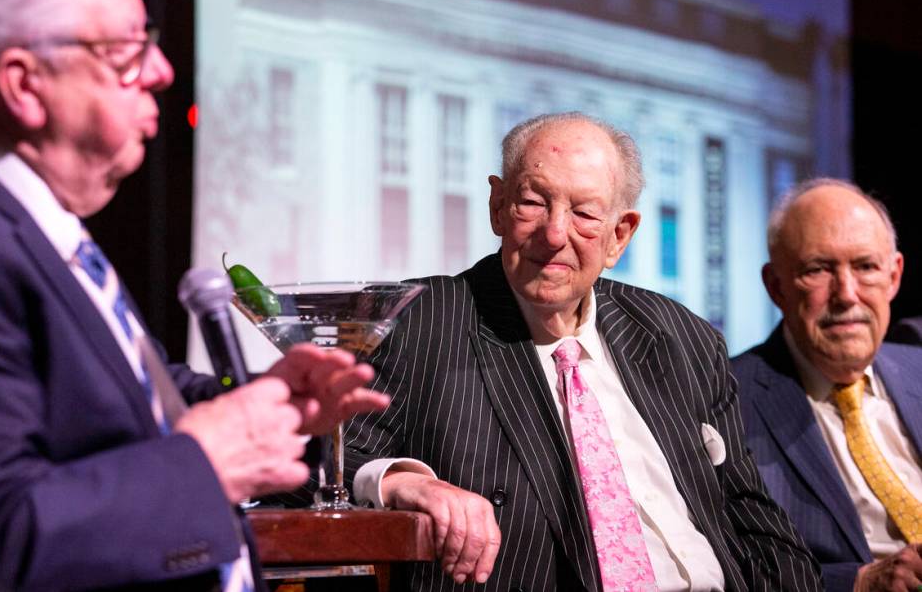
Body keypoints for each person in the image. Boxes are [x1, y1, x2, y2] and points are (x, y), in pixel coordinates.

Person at [0, 0, 388, 590]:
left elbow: (132, 405)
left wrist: (265, 406)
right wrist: (206, 460)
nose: (162, 71)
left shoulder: (47, 231)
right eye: (124, 52)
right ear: (24, 85)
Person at [343, 112, 822, 591]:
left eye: (585, 214)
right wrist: (404, 481)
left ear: (620, 235)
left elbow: (751, 517)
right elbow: (314, 467)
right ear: (497, 205)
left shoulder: (681, 338)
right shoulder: (418, 319)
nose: (554, 234)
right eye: (532, 202)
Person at [731, 179, 922, 592]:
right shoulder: (726, 400)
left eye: (866, 267)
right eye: (818, 269)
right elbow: (725, 560)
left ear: (894, 276)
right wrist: (859, 582)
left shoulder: (918, 365)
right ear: (776, 287)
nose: (847, 295)